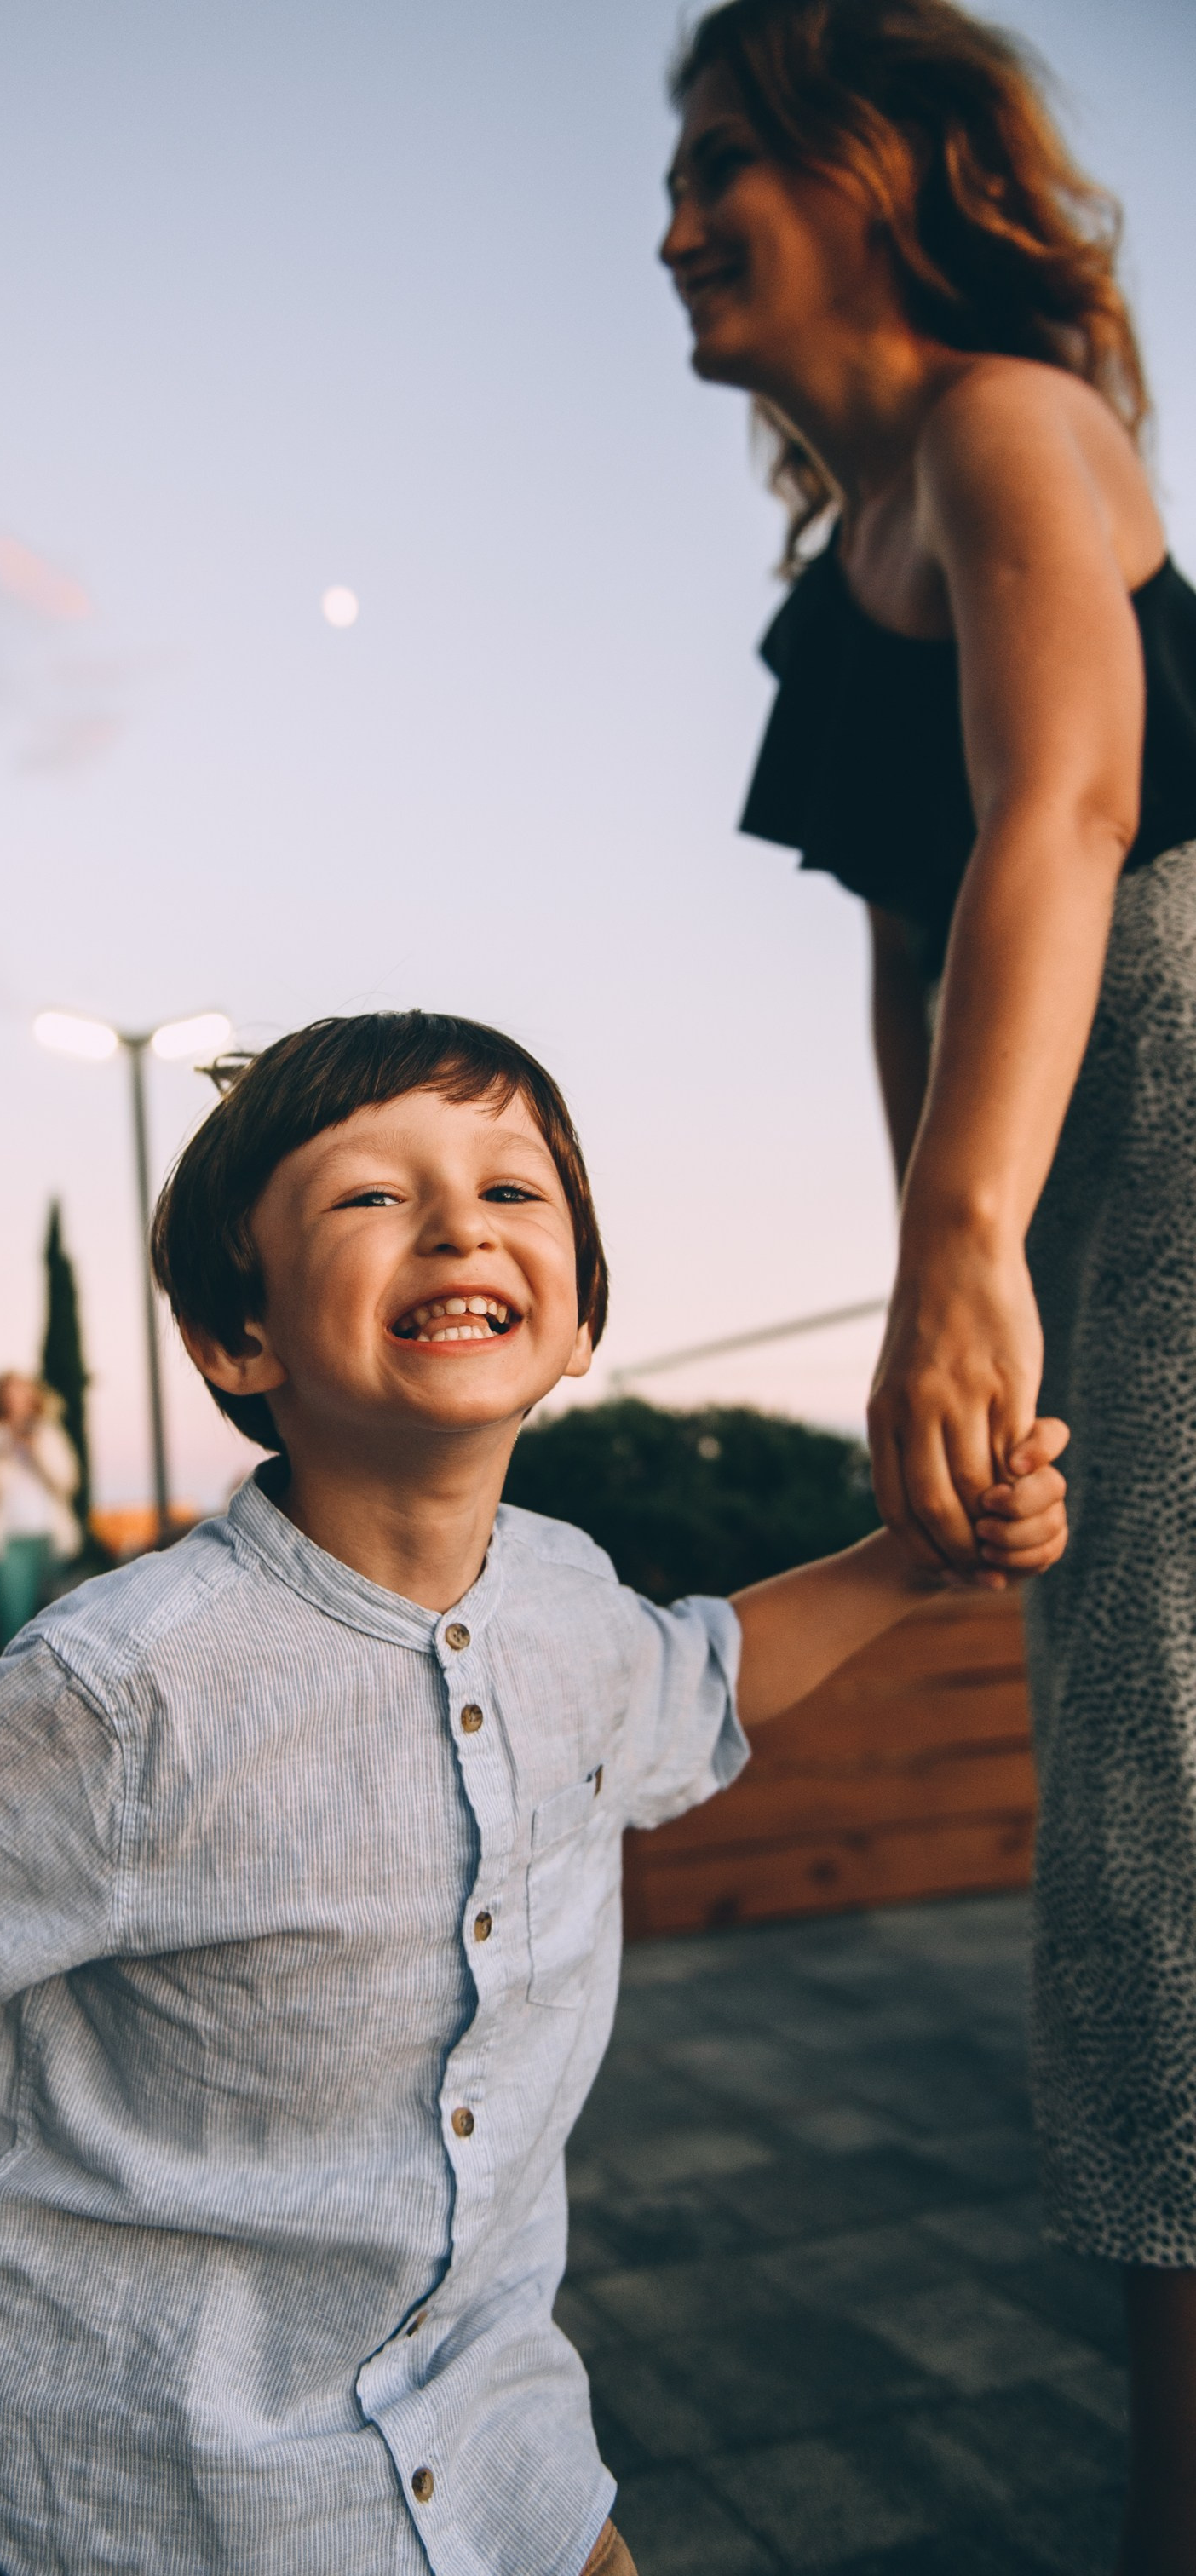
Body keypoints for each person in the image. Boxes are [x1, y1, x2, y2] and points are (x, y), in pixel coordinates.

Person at [0, 1014, 1067, 2576]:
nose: (457, 1219)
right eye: (371, 1194)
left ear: (580, 1314)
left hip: (489, 2400)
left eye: (514, 1190)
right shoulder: (127, 1682)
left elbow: (706, 1673)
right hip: (149, 2462)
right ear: (239, 1341)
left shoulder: (573, 1600)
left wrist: (912, 1560)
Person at [658, 3, 1196, 2559]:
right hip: (1080, 1181)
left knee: (1169, 1807)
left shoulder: (1006, 424)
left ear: (878, 169)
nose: (670, 229)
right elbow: (914, 944)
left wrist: (976, 1237)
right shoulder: (837, 573)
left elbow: (1070, 810)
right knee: (1139, 1812)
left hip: (1172, 1118)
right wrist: (930, 1272)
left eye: (721, 163)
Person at [0, 1371, 83, 1651]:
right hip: (5, 1542)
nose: (14, 1401)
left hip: (51, 1538)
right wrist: (3, 1451)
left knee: (56, 1617)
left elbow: (68, 1482)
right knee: (10, 1621)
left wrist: (37, 1451)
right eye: (8, 1394)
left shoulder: (49, 1433)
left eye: (21, 1393)